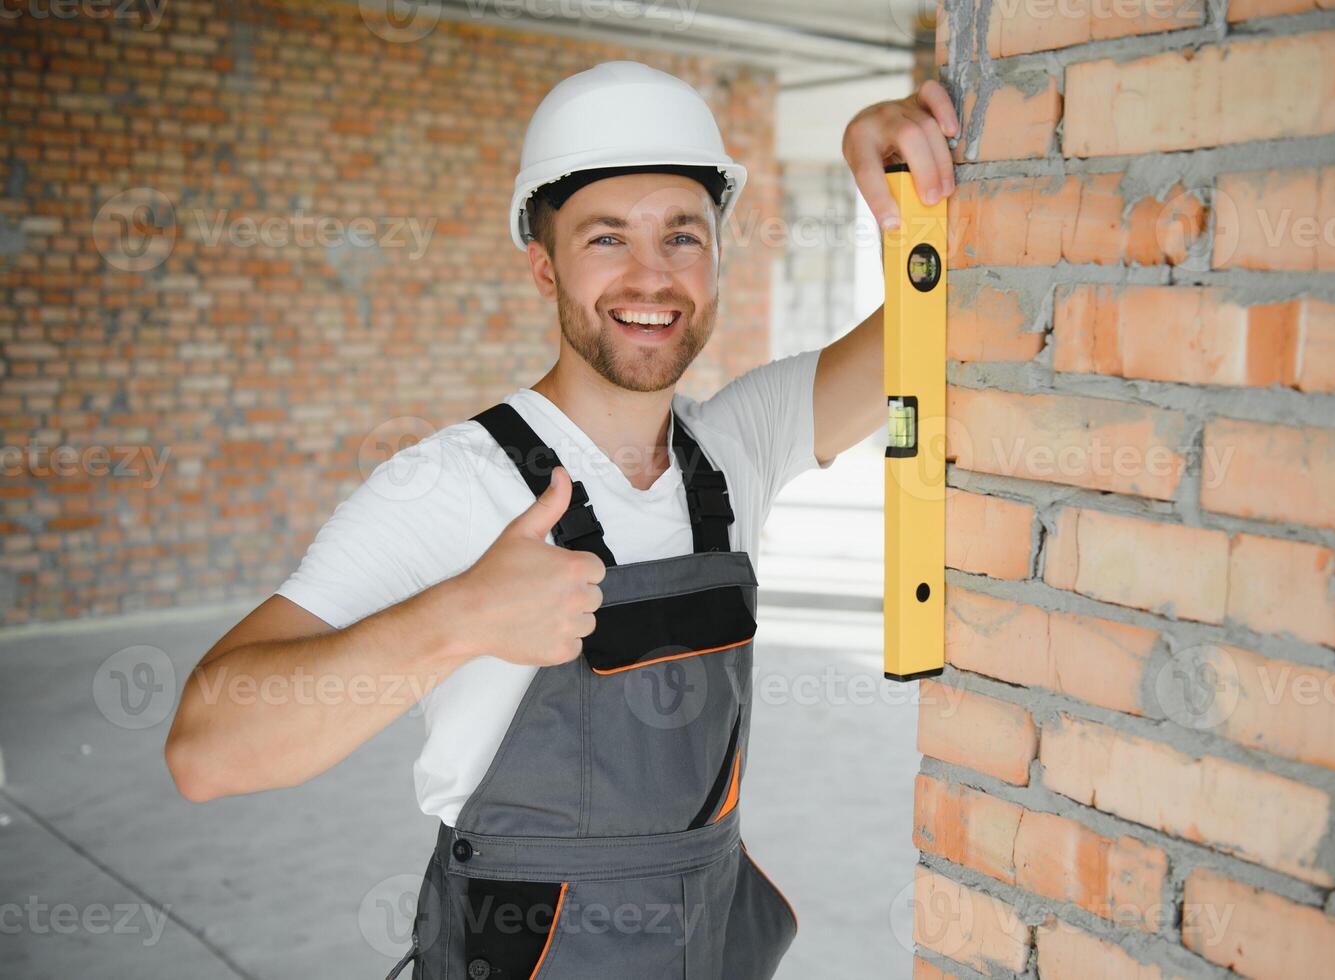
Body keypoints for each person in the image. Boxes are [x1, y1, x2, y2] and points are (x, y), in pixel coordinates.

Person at [165, 59, 957, 980]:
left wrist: (905, 174)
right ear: (543, 266)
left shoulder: (739, 447)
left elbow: (935, 319)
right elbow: (206, 752)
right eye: (606, 239)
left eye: (682, 237)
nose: (651, 277)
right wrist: (455, 618)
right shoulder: (450, 486)